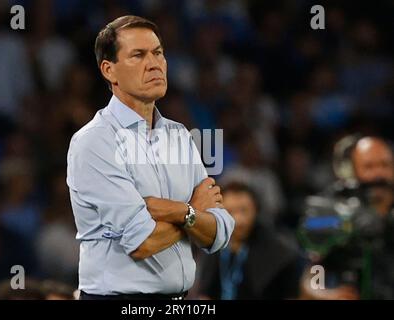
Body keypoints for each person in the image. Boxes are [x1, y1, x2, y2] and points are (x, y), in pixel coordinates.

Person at [66, 15, 234, 300]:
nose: (154, 63)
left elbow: (219, 232)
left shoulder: (179, 134)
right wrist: (192, 211)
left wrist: (173, 211)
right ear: (109, 70)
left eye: (158, 53)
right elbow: (142, 241)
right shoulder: (95, 141)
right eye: (138, 55)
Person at [300, 136, 394, 299]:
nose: (379, 174)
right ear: (352, 172)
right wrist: (323, 294)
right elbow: (315, 269)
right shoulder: (335, 207)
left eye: (384, 165)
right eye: (369, 167)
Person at [198, 182, 301, 300]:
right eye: (230, 211)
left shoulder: (279, 252)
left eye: (244, 210)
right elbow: (205, 293)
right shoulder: (214, 244)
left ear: (256, 210)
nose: (238, 220)